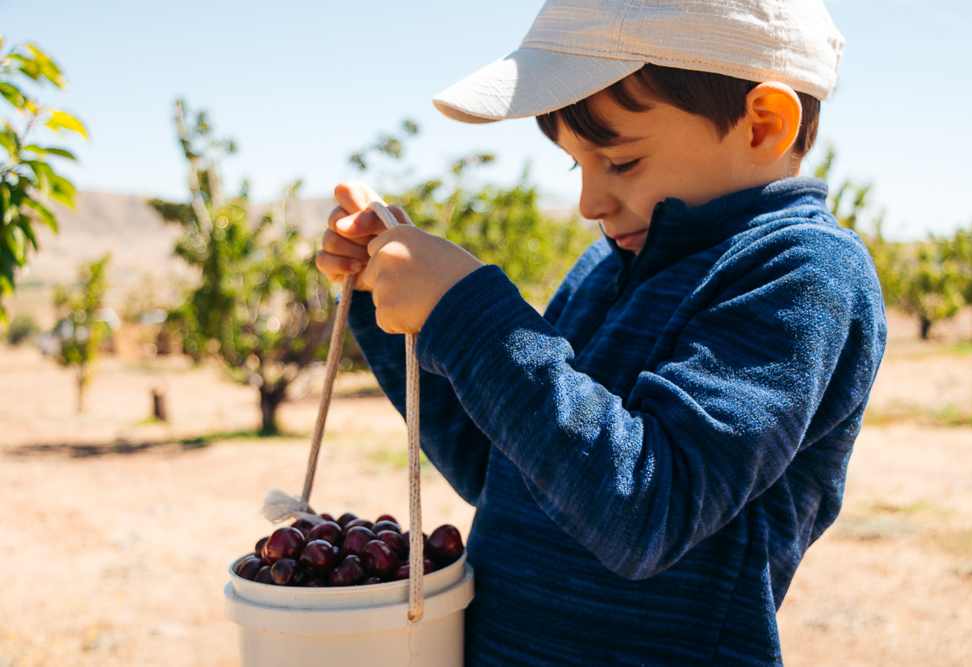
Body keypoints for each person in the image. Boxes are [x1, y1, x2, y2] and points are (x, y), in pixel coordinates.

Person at [316, 0, 887, 664]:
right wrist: (399, 315)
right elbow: (500, 466)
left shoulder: (799, 273)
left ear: (763, 124)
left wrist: (464, 312)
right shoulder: (606, 267)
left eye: (619, 162)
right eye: (575, 165)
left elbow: (648, 508)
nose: (590, 202)